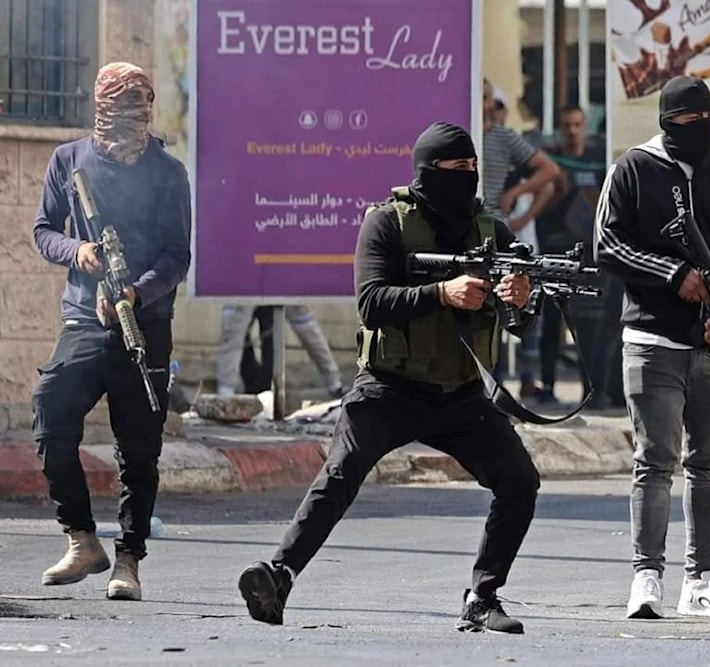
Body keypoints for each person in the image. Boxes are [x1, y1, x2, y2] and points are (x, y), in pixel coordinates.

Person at [237, 121, 541, 634]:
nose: (467, 177)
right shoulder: (386, 224)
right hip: (389, 385)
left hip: (460, 391)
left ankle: (483, 596)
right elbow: (372, 302)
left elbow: (520, 325)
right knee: (341, 473)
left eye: (473, 168)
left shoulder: (491, 230)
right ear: (428, 172)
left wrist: (521, 300)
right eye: (455, 169)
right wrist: (441, 294)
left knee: (519, 481)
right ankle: (279, 574)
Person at [594, 75, 710, 619]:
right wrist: (674, 275)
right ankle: (646, 577)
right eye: (685, 123)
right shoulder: (634, 169)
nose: (698, 130)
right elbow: (608, 242)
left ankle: (701, 582)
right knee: (654, 460)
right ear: (666, 122)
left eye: (705, 120)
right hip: (652, 340)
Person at [31, 62, 191, 601]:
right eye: (119, 105)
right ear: (100, 107)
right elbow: (44, 231)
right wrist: (78, 251)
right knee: (51, 417)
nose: (130, 117)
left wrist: (136, 292)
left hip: (144, 323)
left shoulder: (168, 173)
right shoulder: (69, 161)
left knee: (139, 451)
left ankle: (129, 559)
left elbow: (177, 256)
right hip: (83, 319)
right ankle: (81, 538)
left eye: (139, 105)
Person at [537, 105, 622, 409]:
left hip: (591, 252)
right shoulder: (550, 162)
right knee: (551, 318)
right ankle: (547, 384)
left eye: (577, 124)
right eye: (566, 125)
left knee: (591, 322)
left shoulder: (598, 161)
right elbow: (540, 205)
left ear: (584, 126)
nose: (572, 131)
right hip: (557, 247)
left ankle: (594, 388)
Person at [482, 78, 559, 399]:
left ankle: (514, 381)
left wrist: (515, 192)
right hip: (462, 233)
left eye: (486, 96)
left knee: (512, 303)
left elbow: (549, 171)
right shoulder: (458, 132)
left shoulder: (502, 137)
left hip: (495, 231)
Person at [215, 304, 344, 398]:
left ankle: (334, 383)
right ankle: (226, 392)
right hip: (252, 276)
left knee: (306, 326)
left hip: (270, 274)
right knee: (233, 329)